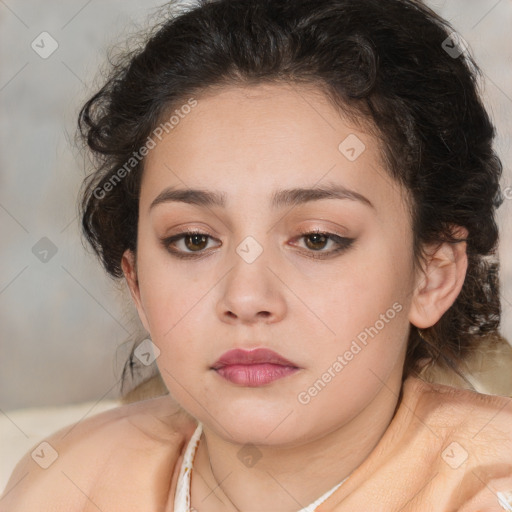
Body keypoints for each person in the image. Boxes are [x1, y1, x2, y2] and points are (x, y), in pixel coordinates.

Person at [2, 0, 512, 510]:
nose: (246, 298)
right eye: (194, 240)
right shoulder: (64, 485)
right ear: (136, 283)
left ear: (432, 276)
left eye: (317, 238)